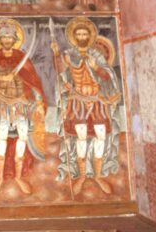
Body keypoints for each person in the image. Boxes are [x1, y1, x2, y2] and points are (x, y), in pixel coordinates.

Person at [0, 19, 46, 198]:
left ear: (15, 39)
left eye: (10, 37)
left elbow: (33, 82)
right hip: (1, 104)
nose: (7, 40)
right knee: (2, 138)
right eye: (4, 37)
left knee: (22, 138)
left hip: (20, 104)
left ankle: (19, 176)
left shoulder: (22, 58)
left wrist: (38, 100)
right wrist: (1, 77)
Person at [50, 17, 121, 195]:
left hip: (97, 102)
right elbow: (60, 71)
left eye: (84, 34)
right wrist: (56, 54)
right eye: (79, 34)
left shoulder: (96, 55)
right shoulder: (68, 54)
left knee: (101, 136)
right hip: (78, 102)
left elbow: (108, 76)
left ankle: (97, 176)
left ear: (90, 37)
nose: (82, 37)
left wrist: (96, 68)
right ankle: (81, 176)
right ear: (74, 37)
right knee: (80, 138)